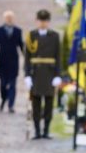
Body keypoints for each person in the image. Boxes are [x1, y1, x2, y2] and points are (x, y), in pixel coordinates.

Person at [24, 9, 62, 139]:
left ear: (48, 22)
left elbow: (58, 56)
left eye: (45, 21)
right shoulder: (31, 35)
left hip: (50, 74)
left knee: (49, 104)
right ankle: (37, 131)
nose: (43, 23)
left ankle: (46, 130)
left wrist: (58, 75)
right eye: (41, 21)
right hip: (36, 74)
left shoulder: (54, 36)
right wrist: (27, 75)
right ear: (37, 21)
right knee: (36, 104)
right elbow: (27, 57)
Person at [0, 10, 24, 112]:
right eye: (7, 18)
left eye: (11, 17)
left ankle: (11, 105)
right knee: (3, 84)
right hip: (2, 61)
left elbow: (21, 45)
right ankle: (3, 99)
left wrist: (26, 57)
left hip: (13, 61)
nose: (9, 19)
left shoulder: (18, 31)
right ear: (4, 19)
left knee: (12, 84)